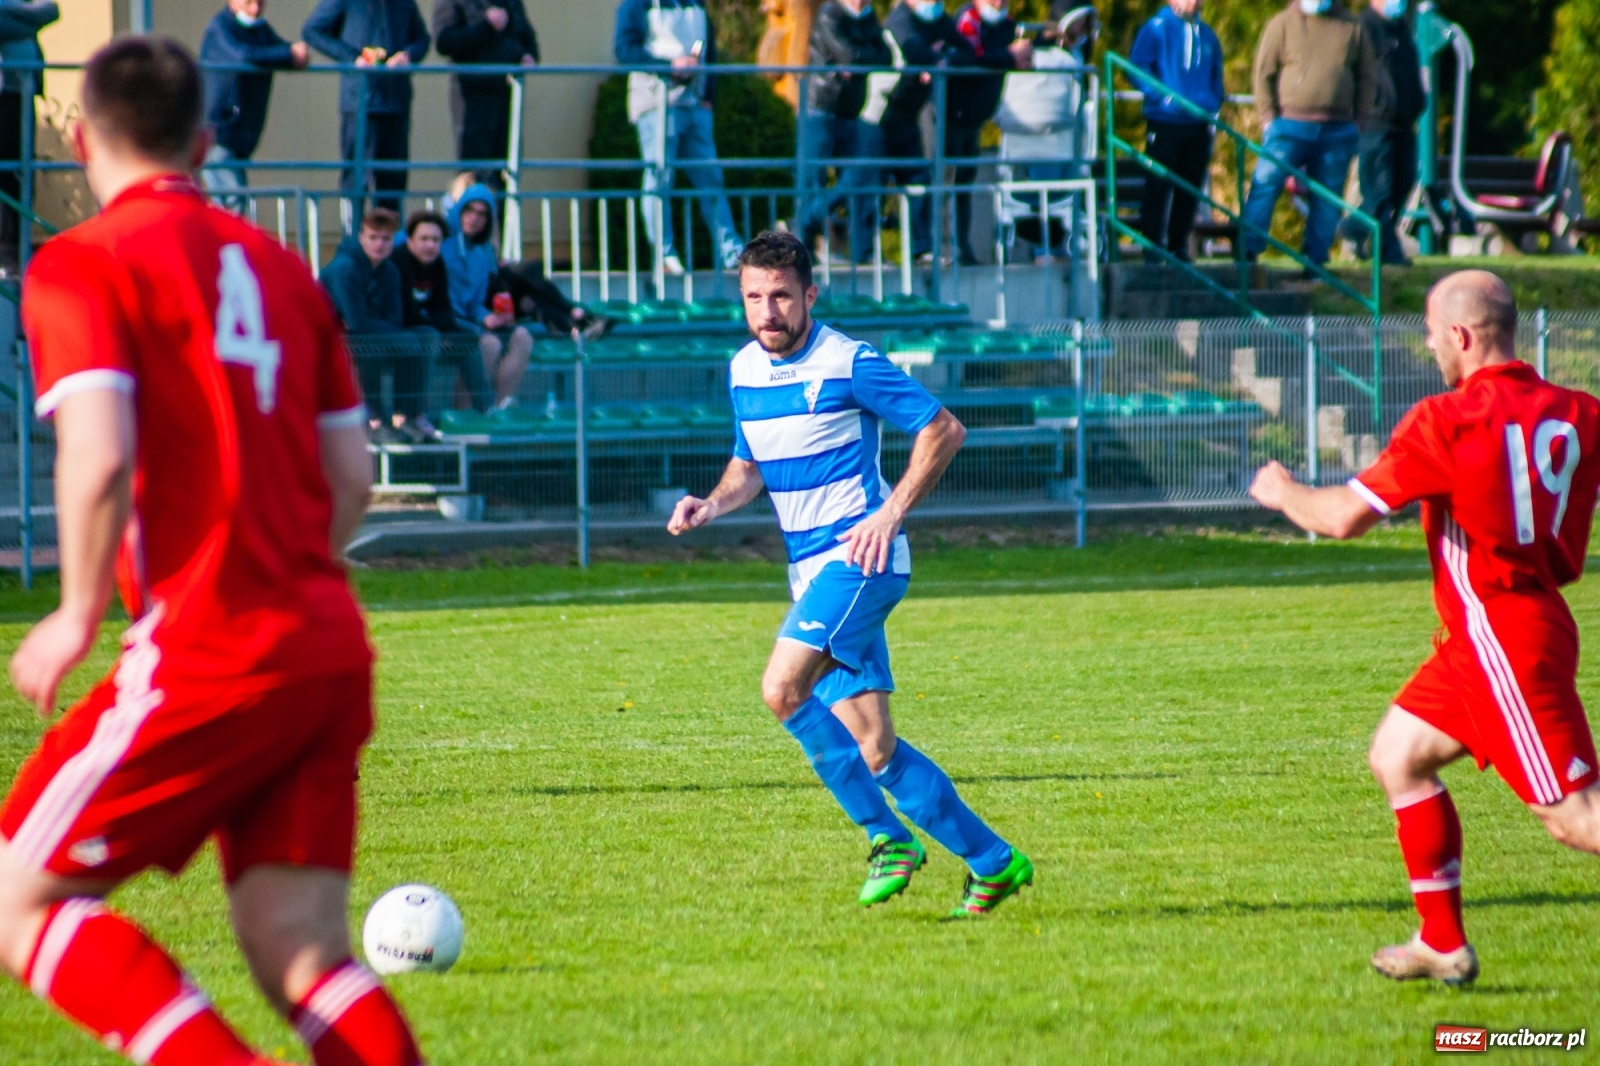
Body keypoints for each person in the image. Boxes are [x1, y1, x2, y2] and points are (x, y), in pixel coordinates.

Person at [0, 37, 426, 1065]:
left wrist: (76, 610)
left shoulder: (82, 263)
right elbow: (351, 475)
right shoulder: (282, 270)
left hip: (207, 646)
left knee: (18, 899)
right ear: (201, 142)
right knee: (302, 950)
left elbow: (100, 454)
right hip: (324, 644)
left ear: (82, 140)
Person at [1249, 270, 1600, 986]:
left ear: (1462, 336)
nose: (1431, 345)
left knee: (1575, 817)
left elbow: (1342, 518)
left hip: (1500, 631)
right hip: (1513, 626)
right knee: (1399, 756)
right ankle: (1442, 942)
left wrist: (1282, 492)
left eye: (1433, 334)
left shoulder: (1446, 419)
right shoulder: (1580, 412)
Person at [667, 231, 1034, 915]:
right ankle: (993, 861)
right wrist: (712, 503)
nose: (768, 311)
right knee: (873, 748)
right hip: (810, 574)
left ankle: (887, 839)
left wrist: (890, 513)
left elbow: (944, 429)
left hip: (859, 559)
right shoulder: (743, 370)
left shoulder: (848, 361)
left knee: (782, 689)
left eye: (782, 296)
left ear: (810, 294)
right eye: (754, 297)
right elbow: (748, 465)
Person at [1241, 0, 1377, 267]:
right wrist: (1268, 117)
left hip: (1337, 128)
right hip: (1288, 124)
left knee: (1327, 198)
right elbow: (1264, 72)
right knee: (1265, 184)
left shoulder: (1353, 26)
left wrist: (1360, 119)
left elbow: (1367, 75)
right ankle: (1247, 251)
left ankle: (1316, 260)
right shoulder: (1282, 24)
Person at [614, 0, 745, 276]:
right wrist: (669, 66)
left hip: (694, 104)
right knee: (659, 179)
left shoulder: (696, 4)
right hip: (655, 102)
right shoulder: (637, 4)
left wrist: (708, 96)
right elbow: (624, 50)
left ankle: (732, 252)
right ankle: (664, 254)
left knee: (711, 179)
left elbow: (709, 49)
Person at [320, 206, 438, 441]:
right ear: (361, 237)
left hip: (367, 335)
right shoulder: (344, 269)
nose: (379, 244)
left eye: (386, 238)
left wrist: (383, 328)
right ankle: (374, 419)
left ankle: (407, 415)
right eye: (373, 237)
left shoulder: (390, 270)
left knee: (426, 335)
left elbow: (395, 318)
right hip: (332, 341)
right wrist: (382, 327)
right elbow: (357, 322)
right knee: (375, 345)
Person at [302, 0, 430, 214]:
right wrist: (352, 58)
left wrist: (408, 56)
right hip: (360, 102)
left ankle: (389, 232)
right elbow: (312, 30)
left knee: (392, 180)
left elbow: (422, 39)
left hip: (396, 101)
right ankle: (353, 232)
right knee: (356, 179)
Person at [1129, 0, 1224, 263]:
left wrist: (1212, 100)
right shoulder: (1157, 28)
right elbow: (1137, 67)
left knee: (1189, 186)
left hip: (1197, 124)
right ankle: (1151, 246)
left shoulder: (1207, 35)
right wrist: (1162, 96)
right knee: (1158, 184)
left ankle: (1177, 245)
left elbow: (1215, 74)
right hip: (1165, 122)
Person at [797, 0, 890, 264]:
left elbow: (886, 57)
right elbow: (848, 54)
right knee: (812, 179)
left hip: (850, 109)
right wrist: (862, 58)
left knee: (859, 178)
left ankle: (862, 251)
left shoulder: (868, 17)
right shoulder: (830, 14)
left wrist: (858, 62)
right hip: (820, 107)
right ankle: (804, 245)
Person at [199, 0, 311, 204]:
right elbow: (244, 55)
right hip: (220, 131)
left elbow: (278, 50)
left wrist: (296, 54)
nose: (255, 9)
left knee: (230, 200)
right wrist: (289, 54)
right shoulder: (220, 28)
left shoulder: (260, 30)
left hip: (240, 134)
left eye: (260, 2)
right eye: (249, 2)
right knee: (234, 198)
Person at [948, 0, 1032, 265]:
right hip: (950, 116)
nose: (998, 2)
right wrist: (1009, 57)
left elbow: (1015, 54)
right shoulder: (969, 19)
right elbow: (971, 56)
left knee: (964, 184)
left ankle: (962, 248)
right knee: (945, 181)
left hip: (972, 120)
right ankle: (945, 250)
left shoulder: (1005, 25)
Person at [391, 209, 496, 412]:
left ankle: (485, 408)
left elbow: (442, 308)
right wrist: (437, 327)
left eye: (435, 240)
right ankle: (415, 413)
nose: (430, 245)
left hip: (424, 325)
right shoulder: (398, 262)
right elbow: (406, 312)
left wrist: (451, 332)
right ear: (410, 240)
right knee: (429, 336)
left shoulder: (437, 263)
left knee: (467, 339)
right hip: (397, 330)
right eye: (424, 239)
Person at [1343, 0, 1423, 265]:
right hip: (1375, 124)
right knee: (1378, 191)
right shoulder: (1362, 28)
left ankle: (1354, 227)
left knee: (1403, 184)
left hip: (1404, 122)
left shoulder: (1401, 28)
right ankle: (1388, 251)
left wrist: (1417, 102)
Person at [431, 0, 538, 189]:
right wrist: (486, 27)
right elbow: (444, 41)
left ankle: (504, 208)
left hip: (507, 95)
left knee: (507, 170)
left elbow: (526, 37)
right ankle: (470, 207)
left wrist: (527, 55)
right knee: (473, 174)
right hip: (473, 99)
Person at [443, 182, 531, 409]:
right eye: (469, 211)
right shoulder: (440, 245)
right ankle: (464, 414)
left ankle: (497, 407)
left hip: (470, 322)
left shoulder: (481, 255)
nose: (474, 218)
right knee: (488, 344)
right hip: (445, 323)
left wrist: (488, 316)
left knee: (522, 336)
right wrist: (481, 319)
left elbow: (475, 303)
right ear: (459, 211)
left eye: (482, 214)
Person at [0, 0, 58, 270]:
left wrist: (19, 15)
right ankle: (6, 251)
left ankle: (16, 248)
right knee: (5, 173)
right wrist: (28, 19)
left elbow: (51, 10)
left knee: (21, 173)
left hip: (21, 96)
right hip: (5, 95)